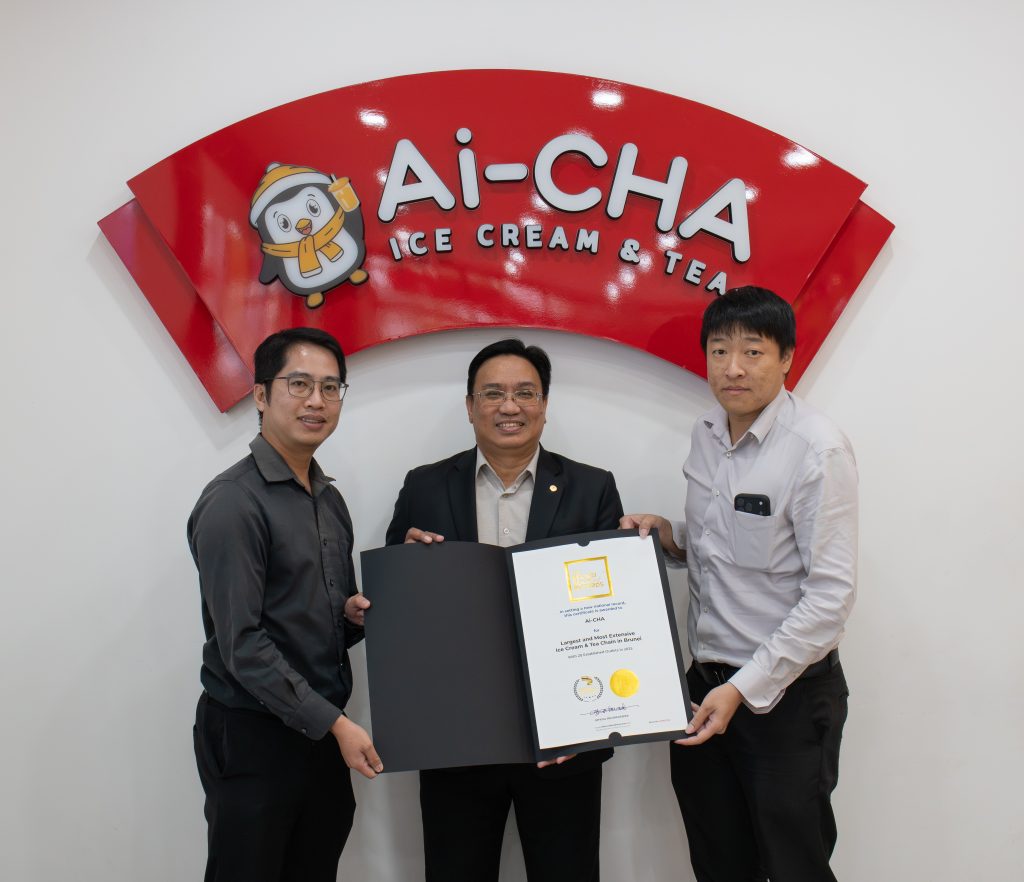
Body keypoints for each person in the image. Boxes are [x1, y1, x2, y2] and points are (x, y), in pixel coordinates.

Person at [622, 287, 857, 882]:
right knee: (718, 861)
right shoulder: (706, 433)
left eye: (753, 351)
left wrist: (744, 688)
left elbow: (830, 599)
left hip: (784, 697)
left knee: (795, 864)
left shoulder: (817, 449)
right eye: (720, 350)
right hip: (703, 688)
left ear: (787, 358)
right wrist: (669, 537)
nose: (733, 367)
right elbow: (721, 547)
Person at [386, 338, 623, 882]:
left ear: (545, 404)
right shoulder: (424, 485)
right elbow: (398, 609)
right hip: (454, 737)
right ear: (470, 406)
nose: (509, 406)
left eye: (524, 393)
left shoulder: (593, 487)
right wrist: (408, 570)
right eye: (492, 393)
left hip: (565, 739)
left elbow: (611, 614)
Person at [188, 327, 381, 882]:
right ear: (260, 395)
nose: (316, 400)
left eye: (330, 387)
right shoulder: (233, 502)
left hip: (318, 731)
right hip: (255, 736)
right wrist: (337, 725)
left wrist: (350, 617)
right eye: (299, 384)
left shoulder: (329, 499)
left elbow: (312, 619)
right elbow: (243, 645)